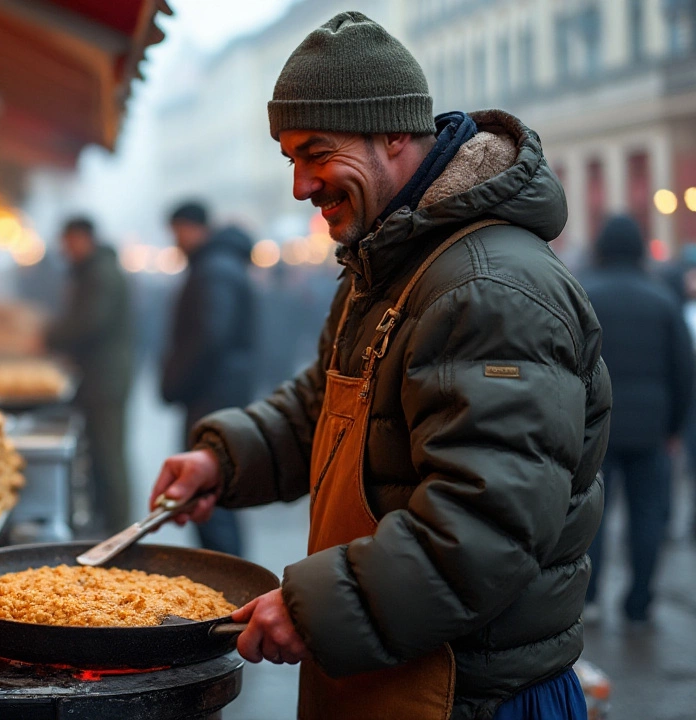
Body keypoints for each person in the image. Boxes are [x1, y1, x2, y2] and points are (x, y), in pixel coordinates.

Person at [150, 13, 606, 720]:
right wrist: (226, 457)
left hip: (470, 695)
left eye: (317, 152)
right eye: (289, 158)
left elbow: (483, 528)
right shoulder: (392, 259)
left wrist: (317, 607)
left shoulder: (487, 288)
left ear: (395, 134)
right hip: (387, 671)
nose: (301, 184)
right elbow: (333, 407)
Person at [581, 215, 693, 622]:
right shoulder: (661, 298)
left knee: (593, 517)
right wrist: (674, 428)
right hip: (651, 427)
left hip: (596, 427)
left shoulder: (586, 294)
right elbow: (684, 369)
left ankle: (590, 598)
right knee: (648, 515)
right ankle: (639, 601)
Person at [161, 201, 255, 556]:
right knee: (215, 495)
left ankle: (227, 590)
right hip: (219, 394)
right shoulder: (219, 266)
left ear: (190, 227)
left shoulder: (213, 270)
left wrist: (174, 382)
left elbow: (208, 337)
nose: (175, 242)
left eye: (176, 233)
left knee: (210, 497)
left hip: (212, 398)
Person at [45, 217, 134, 533]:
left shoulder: (101, 274)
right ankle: (107, 519)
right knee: (100, 451)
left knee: (109, 453)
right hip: (99, 374)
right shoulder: (92, 271)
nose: (66, 250)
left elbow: (90, 322)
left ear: (84, 238)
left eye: (69, 242)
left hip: (106, 377)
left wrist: (50, 336)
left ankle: (119, 527)